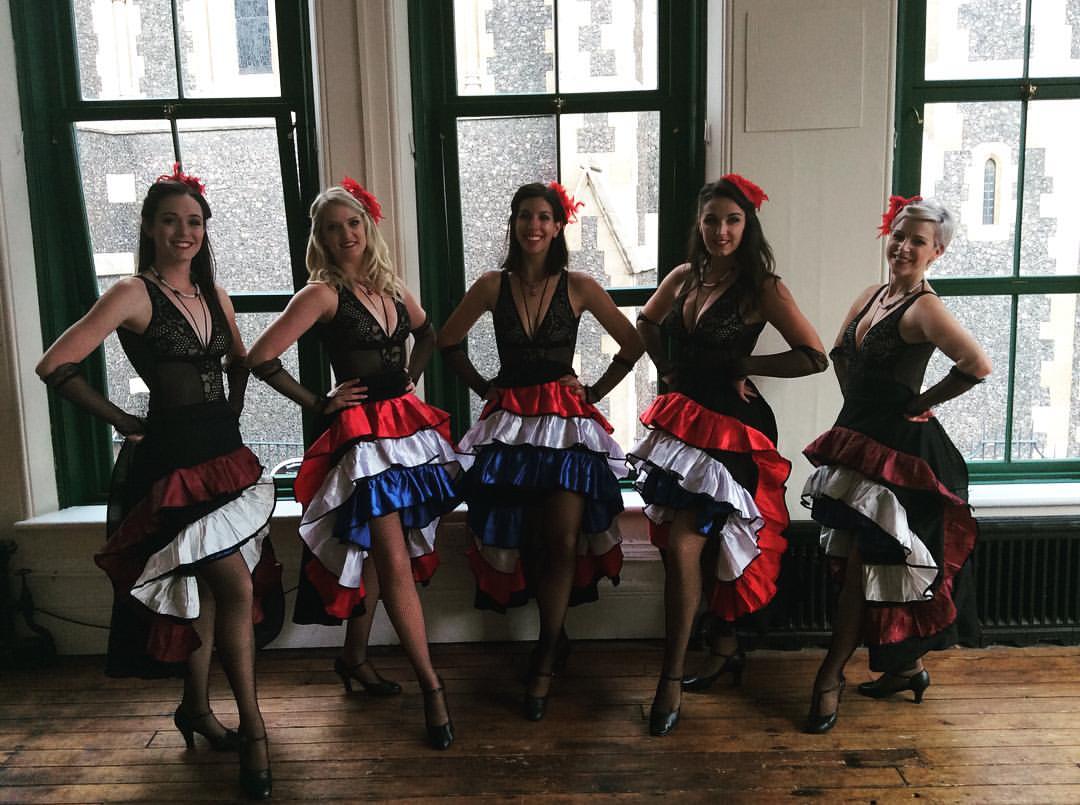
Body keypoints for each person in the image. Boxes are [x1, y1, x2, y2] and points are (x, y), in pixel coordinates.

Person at [36, 165, 276, 799]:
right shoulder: (132, 292)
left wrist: (228, 416)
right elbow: (56, 364)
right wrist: (125, 422)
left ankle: (194, 709)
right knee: (234, 585)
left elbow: (240, 362)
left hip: (224, 457)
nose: (183, 231)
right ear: (148, 227)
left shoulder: (213, 292)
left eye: (193, 221)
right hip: (171, 466)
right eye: (170, 220)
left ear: (205, 230)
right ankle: (254, 730)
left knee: (206, 590)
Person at [246, 178, 461, 750]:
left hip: (405, 430)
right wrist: (320, 403)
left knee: (380, 554)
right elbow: (260, 356)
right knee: (393, 558)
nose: (346, 235)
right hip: (362, 440)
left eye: (353, 223)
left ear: (368, 228)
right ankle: (432, 687)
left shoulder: (390, 286)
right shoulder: (321, 294)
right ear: (319, 237)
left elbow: (428, 333)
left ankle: (354, 658)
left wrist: (410, 376)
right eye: (332, 227)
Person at [627, 175, 828, 736]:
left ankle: (670, 679)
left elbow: (814, 356)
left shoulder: (762, 287)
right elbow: (646, 322)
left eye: (732, 220)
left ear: (748, 225)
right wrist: (666, 369)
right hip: (683, 423)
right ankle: (724, 646)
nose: (721, 231)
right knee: (692, 544)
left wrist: (747, 365)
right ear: (699, 223)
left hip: (734, 432)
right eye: (712, 219)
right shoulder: (683, 277)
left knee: (685, 545)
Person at [437, 181, 643, 721]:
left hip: (565, 424)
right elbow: (446, 342)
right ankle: (555, 637)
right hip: (511, 424)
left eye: (544, 217)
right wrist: (484, 388)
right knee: (526, 535)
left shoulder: (579, 285)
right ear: (513, 223)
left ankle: (547, 654)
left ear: (557, 226)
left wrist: (593, 392)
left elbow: (634, 342)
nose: (534, 225)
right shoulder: (491, 285)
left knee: (562, 537)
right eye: (525, 215)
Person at [801, 196, 991, 733]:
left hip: (904, 458)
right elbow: (841, 353)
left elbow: (977, 364)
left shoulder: (926, 308)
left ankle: (830, 677)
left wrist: (918, 402)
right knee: (863, 563)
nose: (904, 246)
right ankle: (905, 669)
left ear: (937, 252)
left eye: (918, 241)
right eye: (899, 235)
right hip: (860, 440)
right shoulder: (871, 295)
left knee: (862, 566)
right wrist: (859, 408)